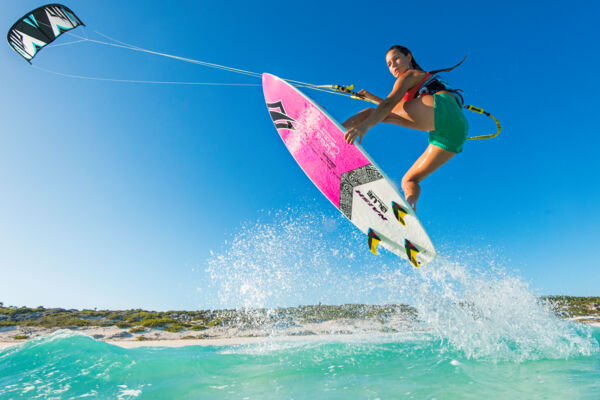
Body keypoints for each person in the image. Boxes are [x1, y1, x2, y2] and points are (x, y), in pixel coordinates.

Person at [343, 45, 468, 211]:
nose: (393, 65)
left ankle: (331, 133)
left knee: (369, 114)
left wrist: (364, 127)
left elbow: (389, 104)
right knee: (409, 180)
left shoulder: (409, 74)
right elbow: (394, 109)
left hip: (439, 108)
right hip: (456, 130)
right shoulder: (421, 78)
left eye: (396, 59)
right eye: (389, 64)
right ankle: (409, 209)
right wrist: (371, 96)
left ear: (409, 57)